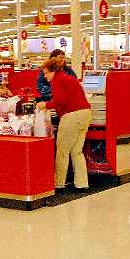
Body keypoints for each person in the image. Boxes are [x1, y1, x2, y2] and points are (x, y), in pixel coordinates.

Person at [36, 57, 92, 191]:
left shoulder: (57, 80)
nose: (44, 76)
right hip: (85, 114)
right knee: (77, 151)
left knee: (62, 151)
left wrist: (45, 105)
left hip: (71, 116)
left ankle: (58, 183)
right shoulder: (68, 78)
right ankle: (82, 183)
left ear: (52, 71)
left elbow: (60, 101)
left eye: (45, 73)